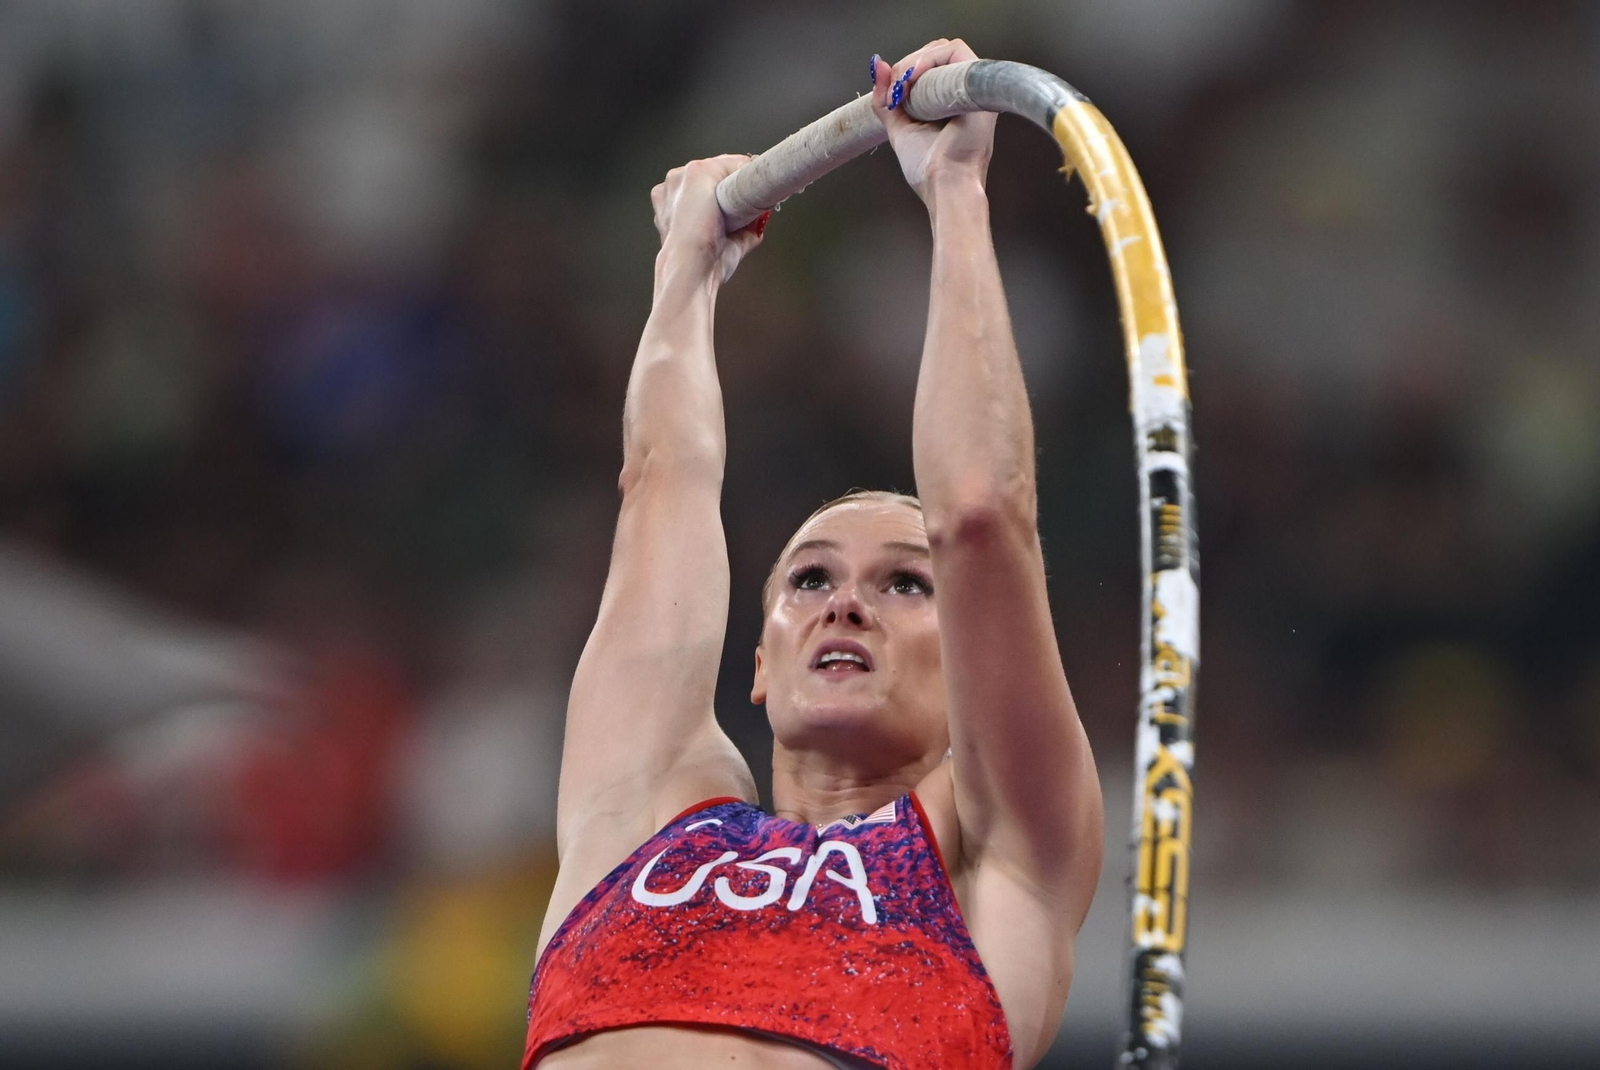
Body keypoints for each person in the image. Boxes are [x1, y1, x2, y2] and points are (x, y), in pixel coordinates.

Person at [523, 39, 1103, 1070]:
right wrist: (685, 269)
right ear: (759, 660)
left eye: (905, 582)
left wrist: (953, 191)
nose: (846, 604)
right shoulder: (645, 810)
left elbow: (979, 517)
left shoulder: (995, 858)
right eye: (809, 577)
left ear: (970, 663)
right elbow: (661, 481)